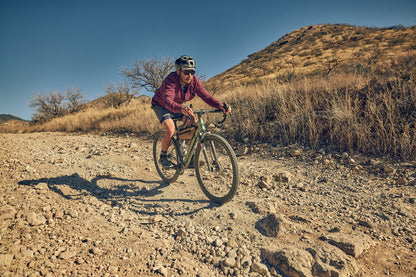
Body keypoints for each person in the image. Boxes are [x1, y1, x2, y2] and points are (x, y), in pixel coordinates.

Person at [151, 55, 231, 168]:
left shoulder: (194, 81)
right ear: (178, 71)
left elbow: (207, 97)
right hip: (161, 105)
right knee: (170, 129)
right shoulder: (171, 80)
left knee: (192, 122)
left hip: (177, 105)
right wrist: (181, 108)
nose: (190, 75)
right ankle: (163, 156)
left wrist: (220, 105)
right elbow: (167, 101)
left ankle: (186, 154)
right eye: (186, 72)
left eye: (192, 72)